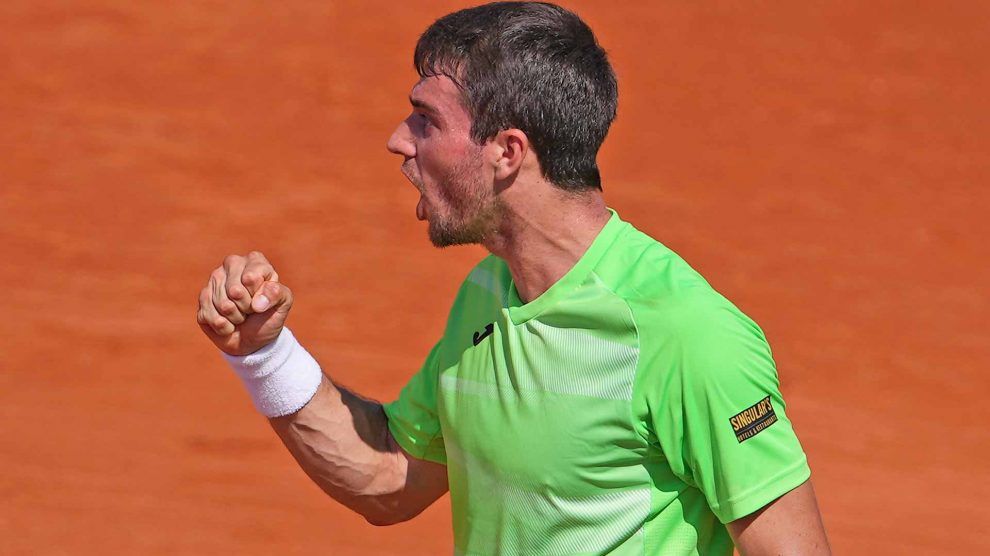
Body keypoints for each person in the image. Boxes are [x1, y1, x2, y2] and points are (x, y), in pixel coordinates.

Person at [196, 2, 831, 554]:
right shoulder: (487, 295)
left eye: (426, 120)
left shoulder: (686, 335)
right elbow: (390, 478)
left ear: (506, 152)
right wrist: (265, 355)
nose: (399, 140)